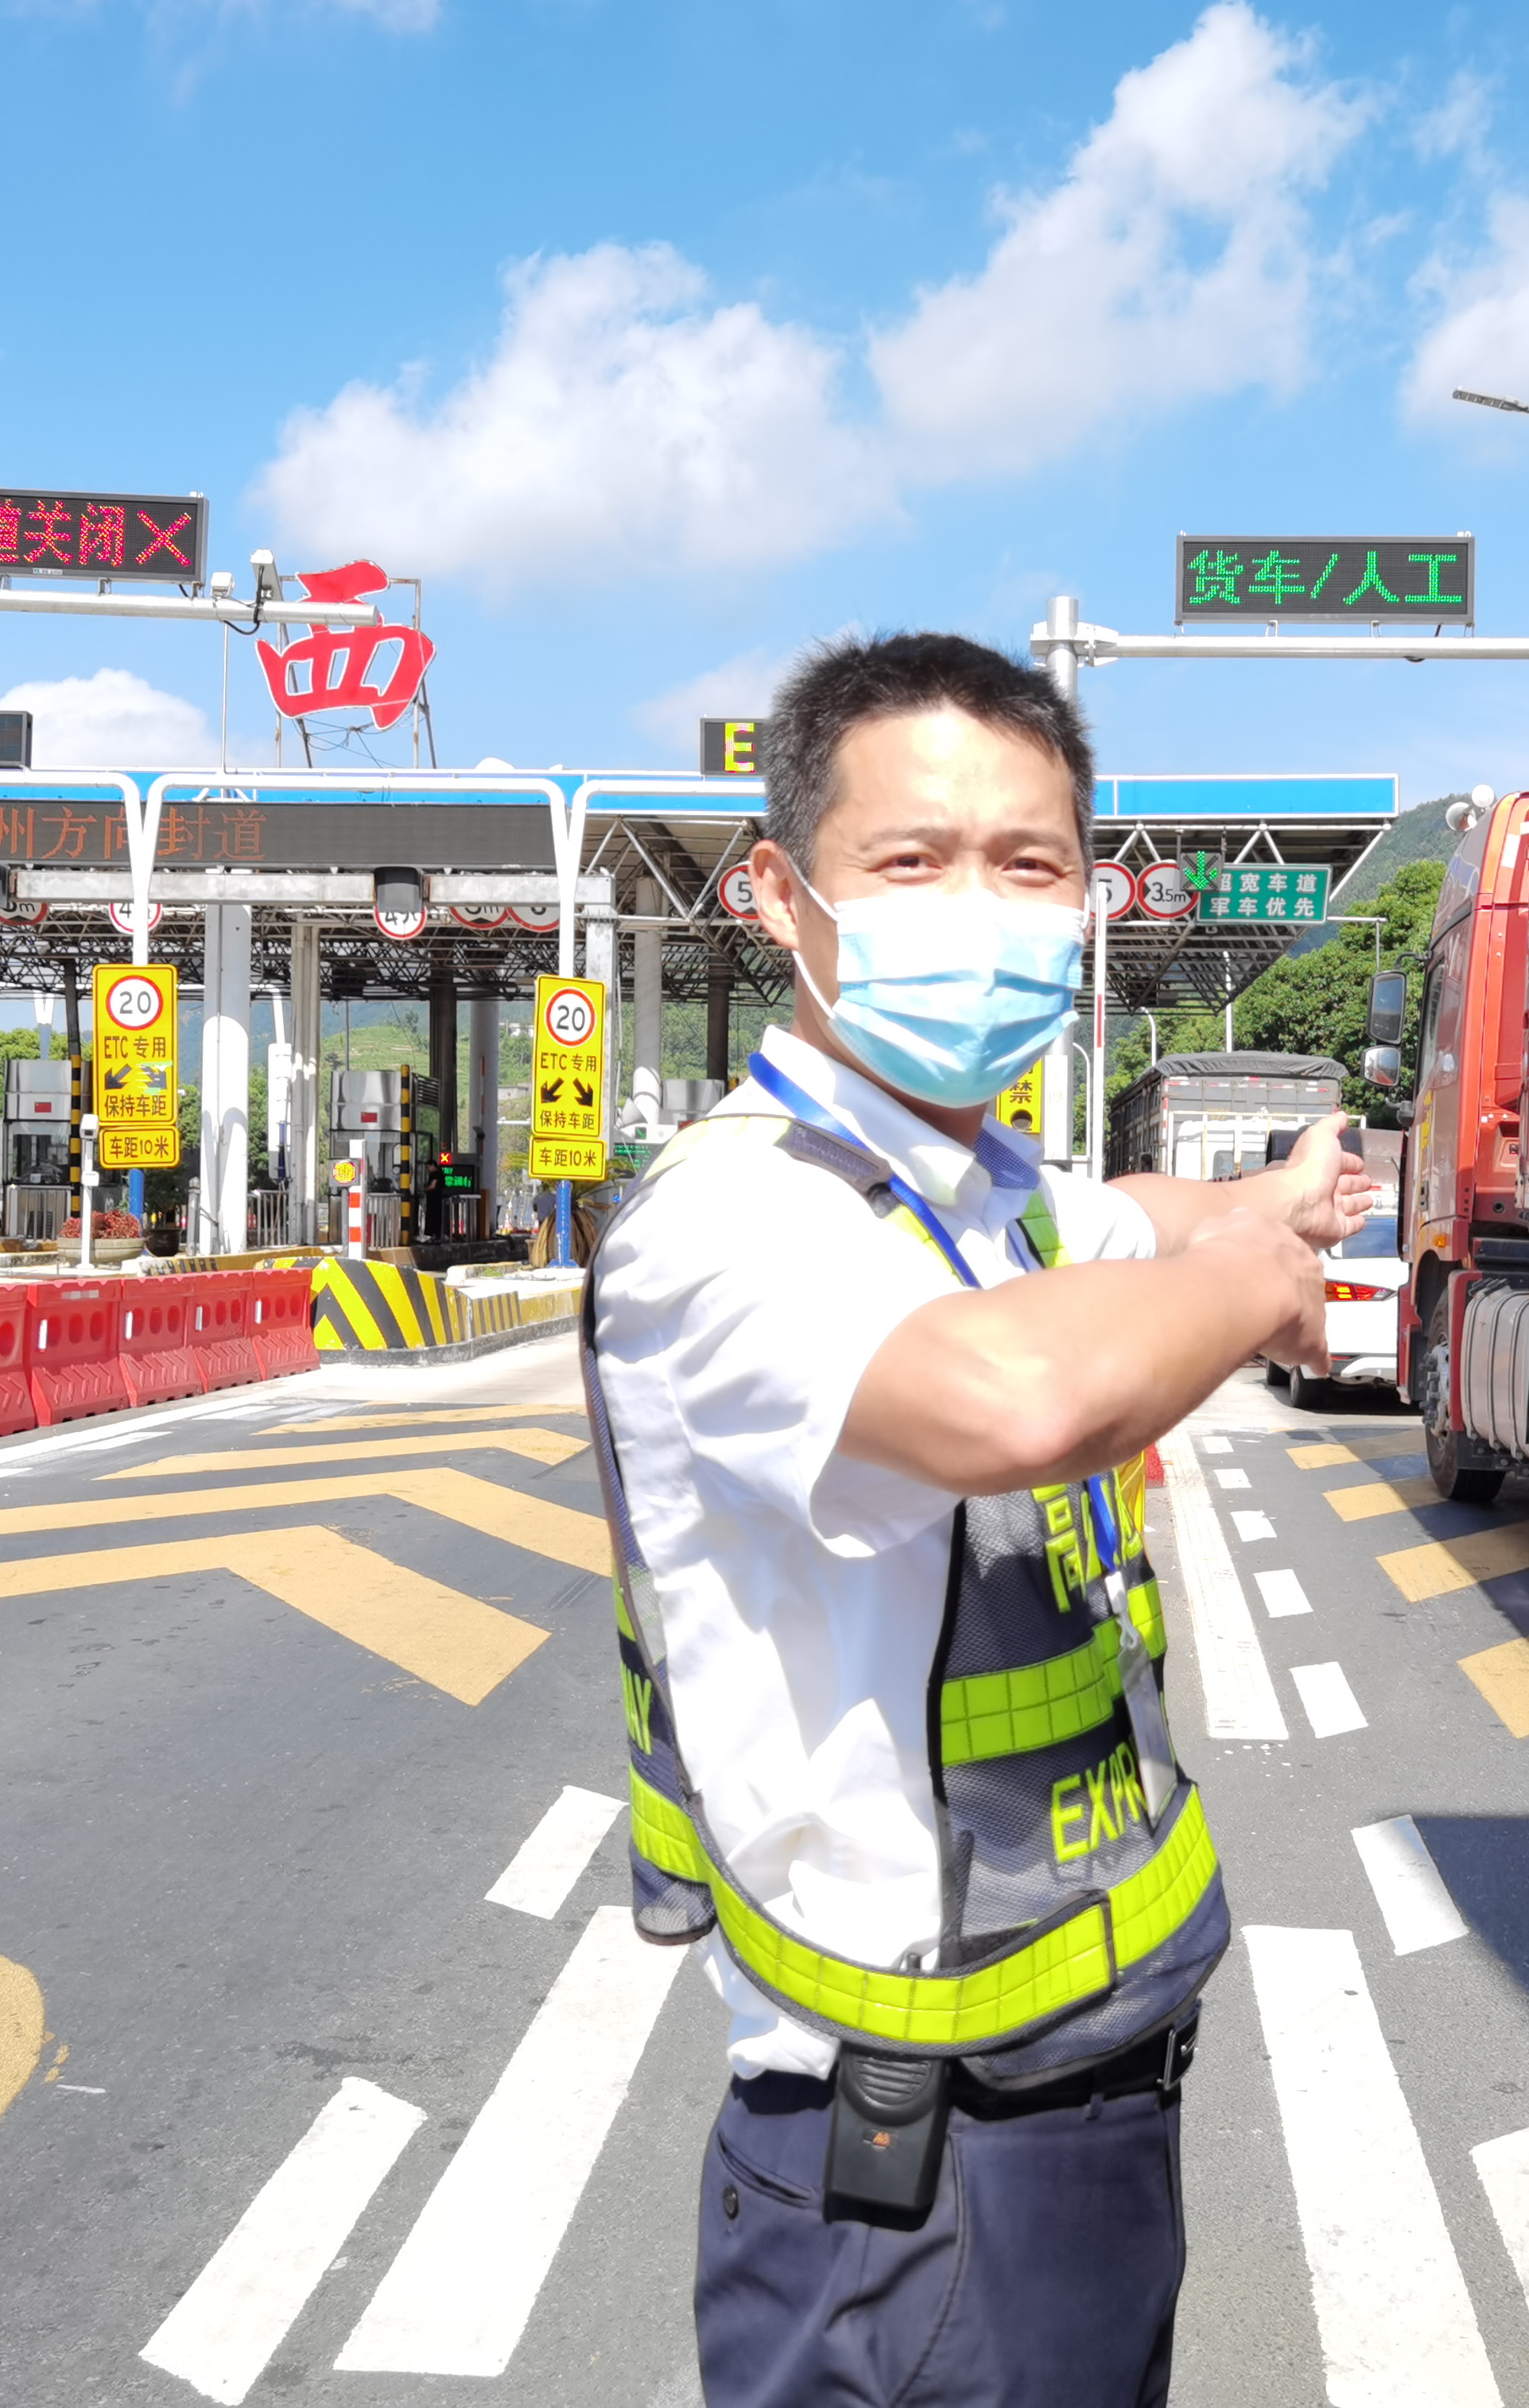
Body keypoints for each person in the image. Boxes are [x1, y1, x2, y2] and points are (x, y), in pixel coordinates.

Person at [580, 631, 1380, 2406]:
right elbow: (1021, 1402)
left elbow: (1133, 1216)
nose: (978, 908)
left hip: (1077, 2100)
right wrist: (1261, 1282)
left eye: (1028, 865)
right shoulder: (732, 1220)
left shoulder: (975, 1190)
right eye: (911, 860)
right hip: (904, 2171)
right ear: (779, 895)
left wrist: (1267, 1198)